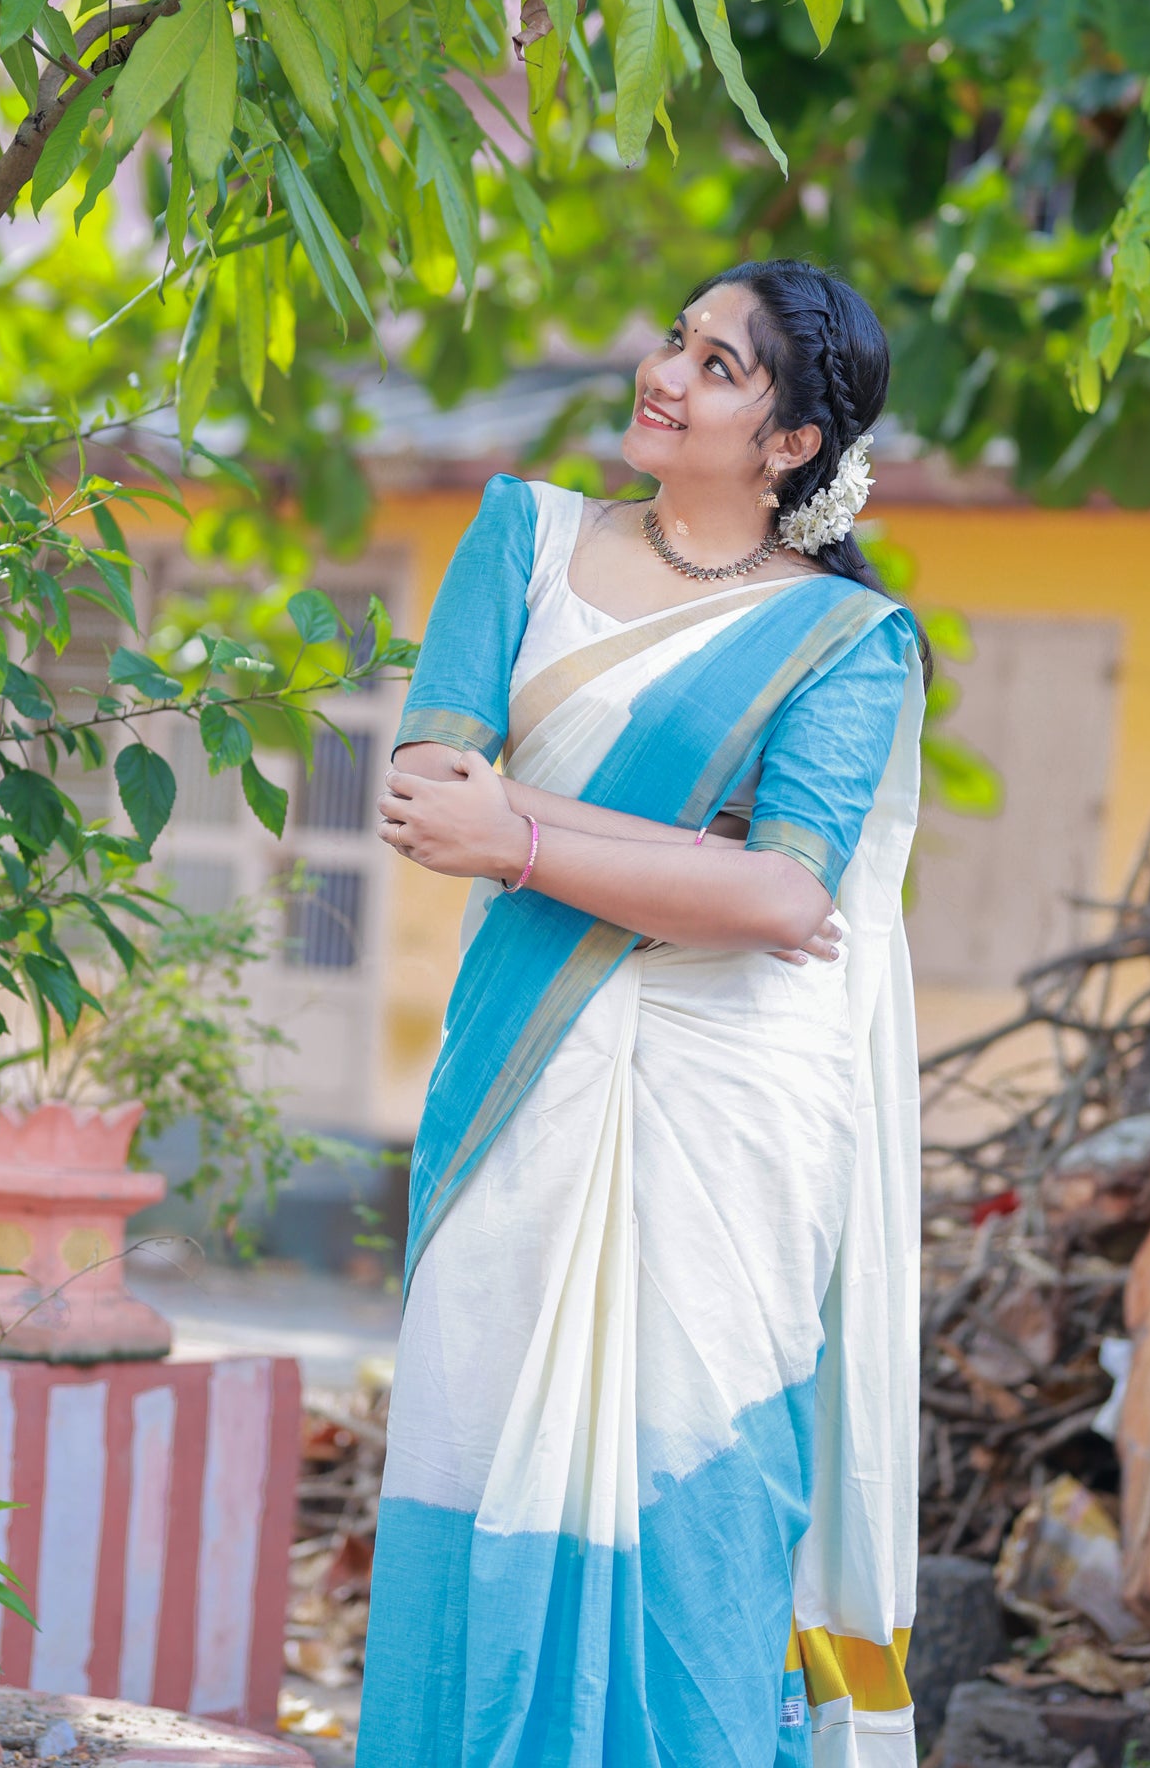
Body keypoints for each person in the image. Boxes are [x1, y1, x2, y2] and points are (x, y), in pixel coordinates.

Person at [357, 260, 926, 1768]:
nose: (665, 371)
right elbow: (426, 798)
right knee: (476, 1429)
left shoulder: (843, 644)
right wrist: (704, 857)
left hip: (728, 1091)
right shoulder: (521, 536)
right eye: (677, 339)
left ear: (792, 443)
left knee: (703, 1473)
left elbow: (791, 904)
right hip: (525, 1062)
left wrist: (528, 838)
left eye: (720, 367)